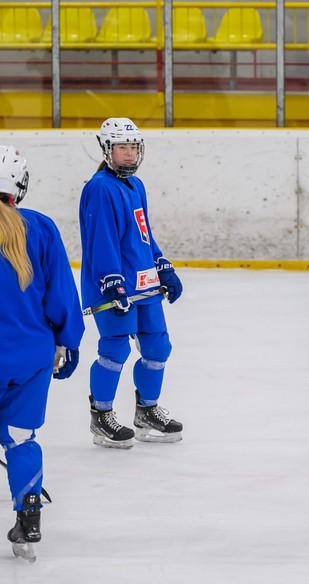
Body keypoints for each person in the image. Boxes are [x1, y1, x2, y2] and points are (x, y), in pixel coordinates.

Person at [0, 144, 83, 564]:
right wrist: (70, 340)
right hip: (32, 357)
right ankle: (28, 523)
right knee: (22, 439)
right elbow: (62, 293)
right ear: (20, 185)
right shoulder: (41, 228)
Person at [79, 117, 184, 450]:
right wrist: (111, 281)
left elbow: (143, 232)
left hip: (144, 282)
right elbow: (101, 240)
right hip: (114, 285)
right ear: (107, 149)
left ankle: (147, 411)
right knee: (115, 349)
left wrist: (161, 263)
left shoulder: (136, 186)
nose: (129, 154)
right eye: (122, 148)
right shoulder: (99, 188)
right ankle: (102, 415)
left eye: (133, 147)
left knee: (158, 348)